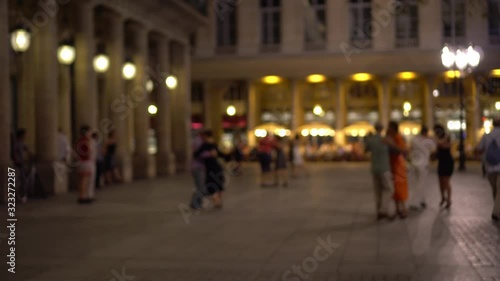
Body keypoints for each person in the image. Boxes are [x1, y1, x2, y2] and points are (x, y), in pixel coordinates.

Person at [365, 123, 394, 220]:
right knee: (389, 189)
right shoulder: (385, 140)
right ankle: (383, 210)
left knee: (378, 191)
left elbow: (366, 150)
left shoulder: (371, 140)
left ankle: (379, 212)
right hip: (385, 168)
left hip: (374, 168)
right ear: (382, 129)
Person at [475, 117, 500, 221]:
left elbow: (479, 149)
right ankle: (496, 211)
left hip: (489, 167)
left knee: (495, 189)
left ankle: (496, 209)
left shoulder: (486, 135)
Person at [194, 130, 225, 208]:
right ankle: (217, 201)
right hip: (212, 167)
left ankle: (217, 201)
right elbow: (197, 154)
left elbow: (196, 154)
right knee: (215, 185)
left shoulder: (208, 144)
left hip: (213, 167)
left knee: (216, 185)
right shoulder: (207, 144)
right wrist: (209, 154)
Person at [408, 126, 436, 211]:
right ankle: (415, 203)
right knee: (420, 183)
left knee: (417, 182)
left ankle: (422, 200)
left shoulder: (415, 139)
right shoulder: (429, 141)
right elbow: (434, 150)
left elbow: (410, 148)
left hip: (415, 163)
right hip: (423, 164)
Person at [385, 121, 409, 219]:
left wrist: (391, 144)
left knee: (400, 188)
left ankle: (403, 209)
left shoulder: (398, 137)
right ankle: (398, 209)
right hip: (393, 165)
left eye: (389, 127)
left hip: (399, 166)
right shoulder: (392, 137)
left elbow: (403, 150)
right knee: (395, 188)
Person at [433, 124, 454, 209]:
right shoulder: (437, 139)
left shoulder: (447, 137)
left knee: (446, 181)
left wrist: (437, 142)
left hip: (448, 162)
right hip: (441, 162)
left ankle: (448, 199)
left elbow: (446, 145)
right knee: (440, 181)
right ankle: (443, 198)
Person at [76, 125, 95, 204]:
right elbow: (90, 151)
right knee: (85, 179)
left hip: (80, 161)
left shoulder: (79, 140)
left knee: (81, 179)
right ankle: (82, 196)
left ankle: (82, 195)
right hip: (86, 161)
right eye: (89, 131)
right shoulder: (87, 140)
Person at [190, 131, 206, 210]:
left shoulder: (197, 141)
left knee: (199, 186)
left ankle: (196, 202)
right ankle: (195, 203)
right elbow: (200, 154)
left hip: (196, 167)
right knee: (200, 186)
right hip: (198, 167)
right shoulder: (199, 142)